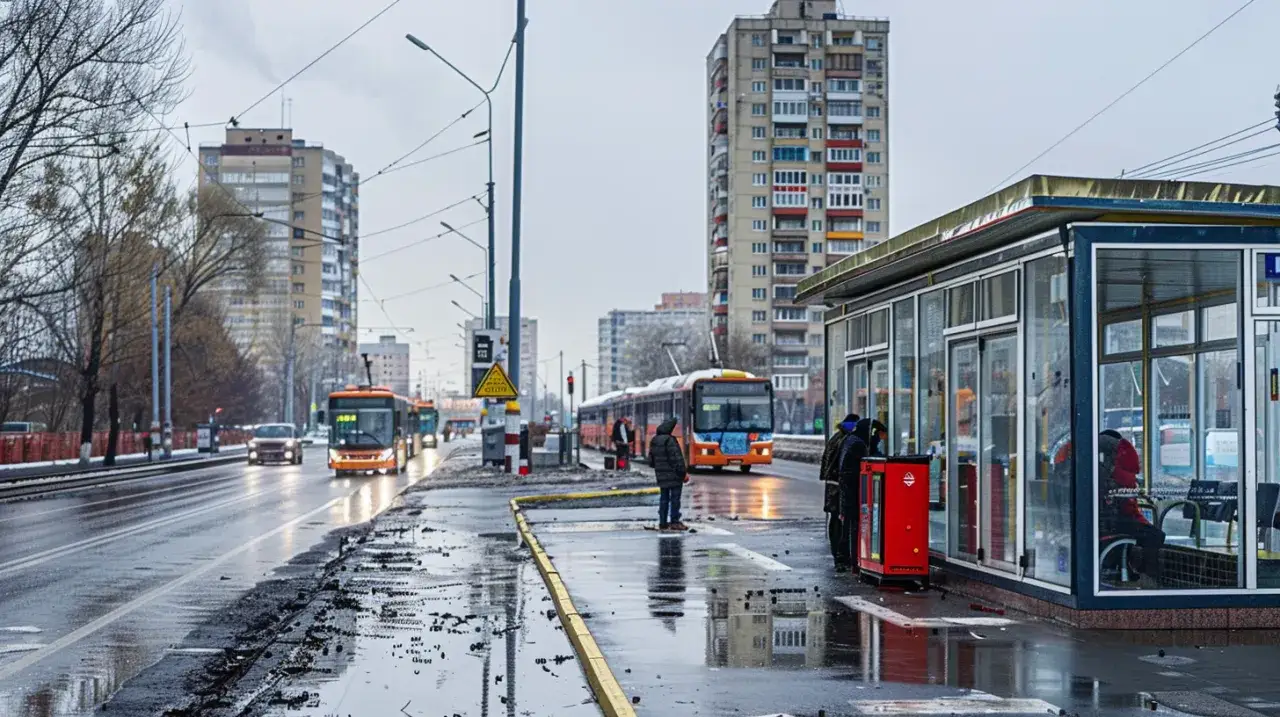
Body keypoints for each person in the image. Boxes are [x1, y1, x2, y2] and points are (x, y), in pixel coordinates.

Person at [1099, 429, 1164, 587]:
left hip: (1101, 524)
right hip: (1113, 524)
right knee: (1155, 535)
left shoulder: (1098, 470)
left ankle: (1126, 567)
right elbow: (1127, 508)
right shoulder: (1120, 475)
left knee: (1136, 535)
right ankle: (1147, 576)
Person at [837, 417, 886, 566]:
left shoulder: (851, 440)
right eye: (877, 435)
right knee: (854, 527)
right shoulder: (858, 444)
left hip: (847, 492)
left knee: (849, 526)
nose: (878, 439)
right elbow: (867, 464)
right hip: (853, 493)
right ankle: (852, 560)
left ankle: (845, 558)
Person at [821, 414, 859, 569]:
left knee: (836, 519)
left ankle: (838, 554)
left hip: (832, 485)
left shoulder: (837, 437)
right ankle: (840, 556)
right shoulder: (844, 440)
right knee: (839, 521)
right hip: (838, 485)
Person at [649, 417, 689, 530]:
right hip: (674, 477)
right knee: (675, 499)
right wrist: (683, 473)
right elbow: (677, 460)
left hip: (661, 476)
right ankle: (675, 522)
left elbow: (651, 462)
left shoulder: (654, 440)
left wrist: (660, 468)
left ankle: (662, 522)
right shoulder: (670, 440)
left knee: (664, 499)